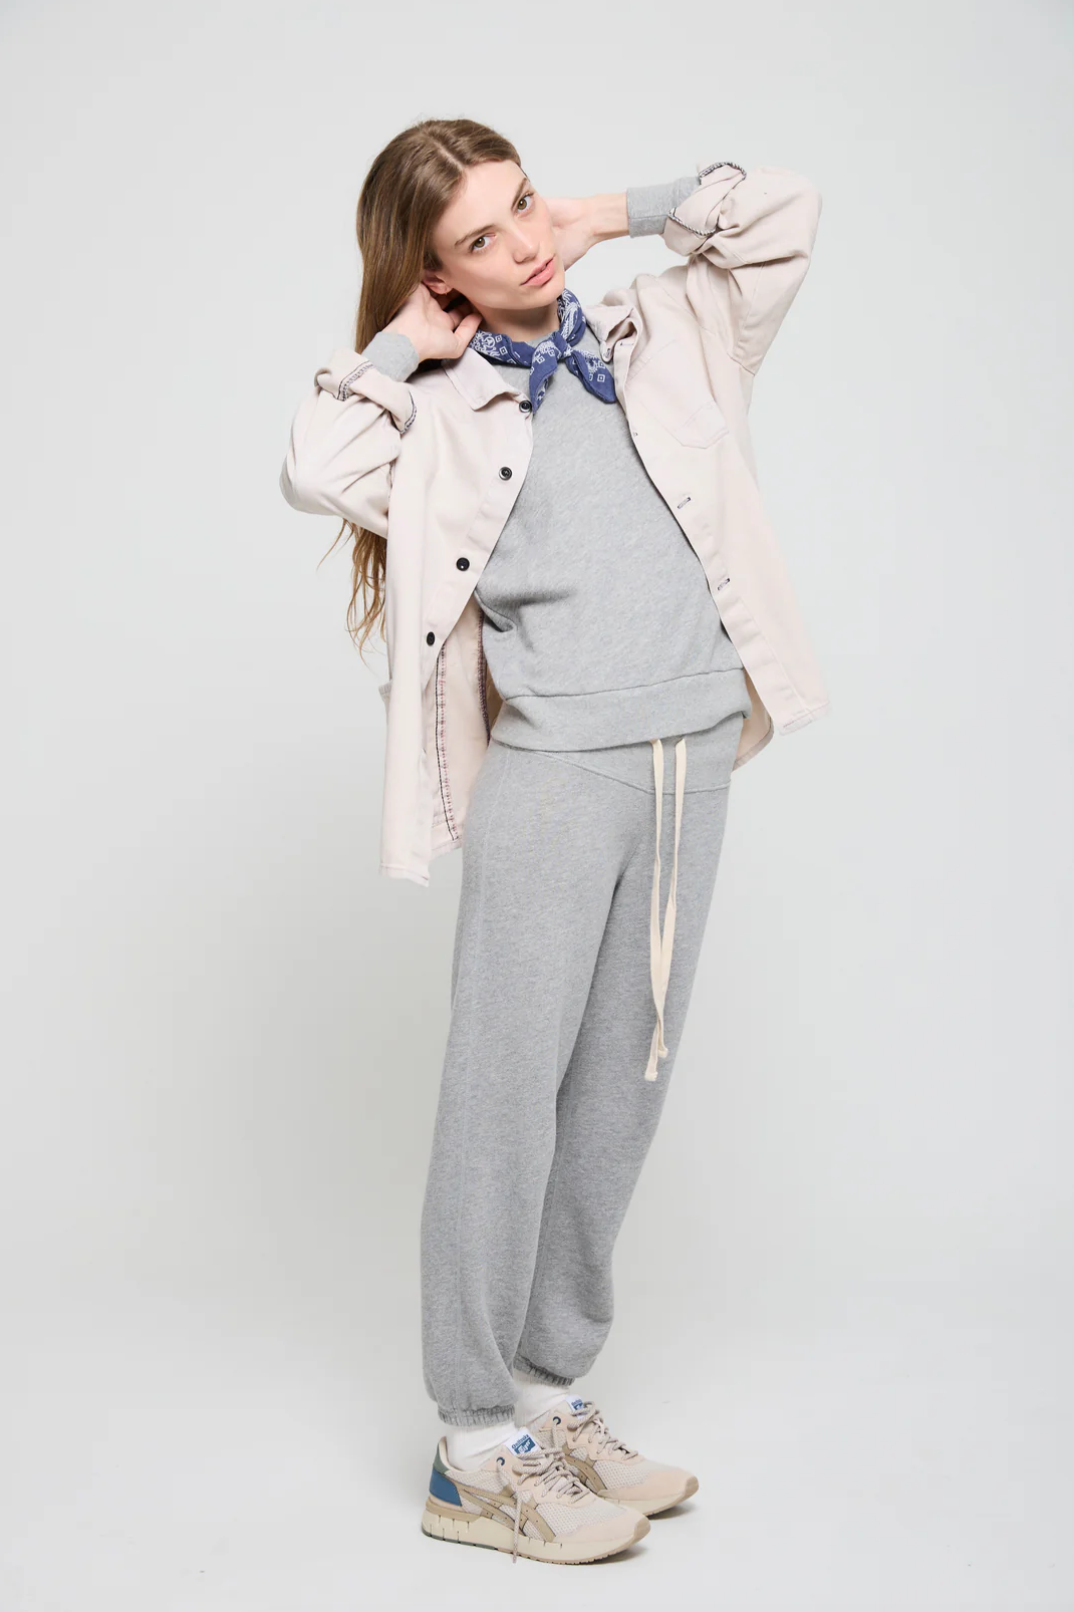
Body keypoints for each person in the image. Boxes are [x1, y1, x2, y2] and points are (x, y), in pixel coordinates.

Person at [280, 117, 828, 1566]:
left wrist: (601, 211)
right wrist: (408, 340)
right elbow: (310, 458)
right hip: (555, 774)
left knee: (621, 1091)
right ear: (434, 270)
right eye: (477, 237)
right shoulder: (438, 403)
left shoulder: (666, 326)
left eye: (517, 204)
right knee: (504, 1095)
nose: (517, 242)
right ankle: (471, 1446)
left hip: (692, 754)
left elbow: (777, 207)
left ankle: (548, 1388)